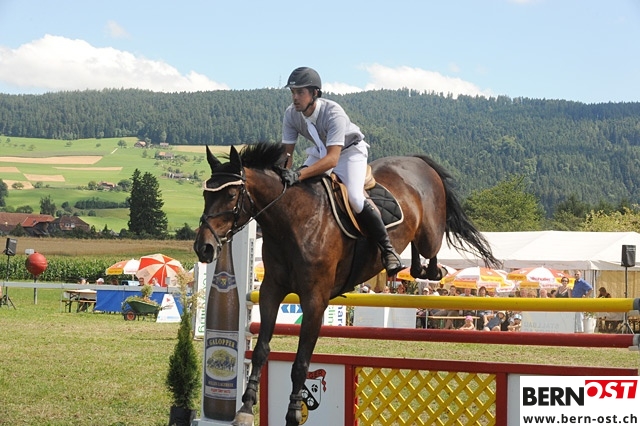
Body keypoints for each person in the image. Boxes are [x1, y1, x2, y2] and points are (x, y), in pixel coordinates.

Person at [279, 66, 404, 276]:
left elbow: (332, 160)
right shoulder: (291, 114)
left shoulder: (333, 112)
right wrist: (283, 177)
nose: (295, 98)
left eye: (300, 92)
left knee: (355, 198)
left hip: (349, 152)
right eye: (293, 92)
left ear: (315, 93)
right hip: (321, 151)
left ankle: (388, 250)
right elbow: (287, 155)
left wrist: (299, 174)